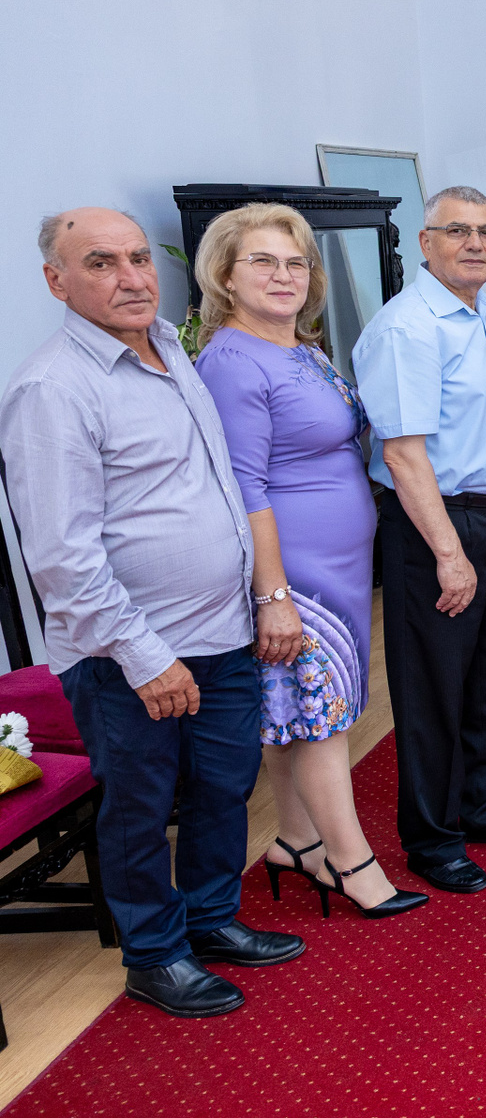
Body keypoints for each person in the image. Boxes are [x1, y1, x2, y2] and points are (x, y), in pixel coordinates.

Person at [2, 207, 303, 1018]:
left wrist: (258, 598)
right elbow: (62, 557)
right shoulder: (52, 389)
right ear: (56, 281)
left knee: (222, 787)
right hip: (126, 654)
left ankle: (210, 919)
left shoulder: (171, 345)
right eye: (101, 263)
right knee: (138, 807)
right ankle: (155, 955)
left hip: (222, 632)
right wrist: (145, 656)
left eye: (139, 258)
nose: (132, 277)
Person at [193, 203, 426, 920]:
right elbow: (245, 488)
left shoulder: (302, 346)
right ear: (225, 276)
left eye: (296, 262)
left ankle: (297, 840)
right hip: (296, 574)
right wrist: (273, 596)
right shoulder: (231, 360)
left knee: (298, 708)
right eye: (263, 261)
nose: (283, 275)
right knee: (323, 719)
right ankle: (354, 864)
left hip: (343, 564)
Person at [353, 185, 486, 896]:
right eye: (458, 231)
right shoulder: (407, 328)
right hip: (441, 523)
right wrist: (448, 553)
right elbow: (403, 454)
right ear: (425, 242)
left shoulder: (481, 315)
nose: (475, 244)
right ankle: (433, 839)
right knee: (435, 688)